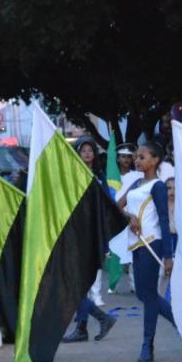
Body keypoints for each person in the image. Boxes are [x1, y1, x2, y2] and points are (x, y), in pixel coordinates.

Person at [117, 142, 175, 362]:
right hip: (137, 244)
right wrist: (129, 217)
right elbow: (117, 205)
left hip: (153, 243)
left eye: (142, 157)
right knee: (144, 295)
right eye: (136, 157)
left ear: (155, 160)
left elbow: (164, 219)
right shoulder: (136, 183)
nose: (137, 160)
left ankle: (147, 346)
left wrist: (168, 256)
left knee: (149, 295)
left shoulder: (158, 187)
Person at [62, 138, 117, 342]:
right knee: (79, 286)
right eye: (82, 150)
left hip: (89, 237)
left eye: (90, 150)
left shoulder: (98, 179)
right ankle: (82, 329)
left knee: (75, 287)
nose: (86, 153)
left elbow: (104, 210)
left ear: (94, 154)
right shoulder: (72, 177)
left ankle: (102, 318)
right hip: (76, 235)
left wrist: (103, 242)